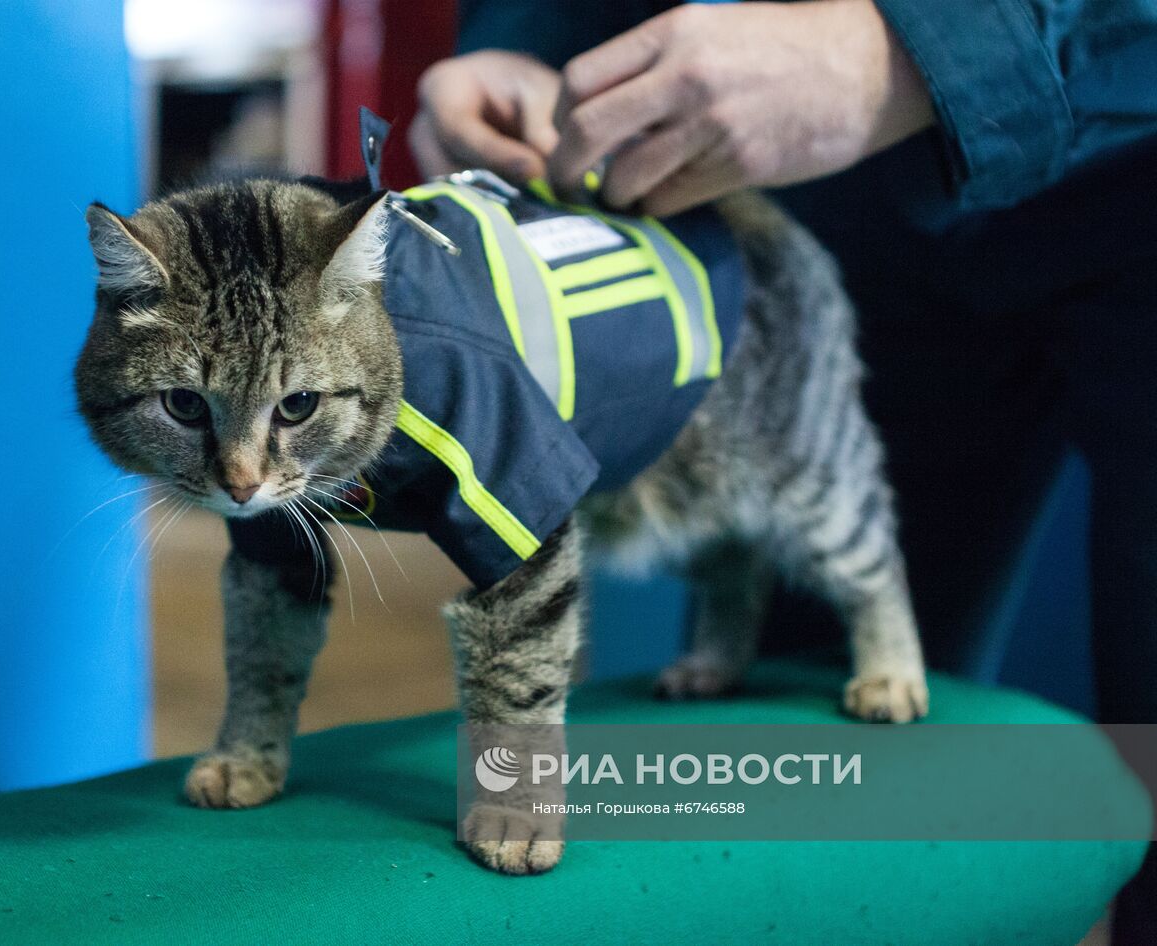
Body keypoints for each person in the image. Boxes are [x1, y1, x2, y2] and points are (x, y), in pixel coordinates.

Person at [409, 1, 1157, 940]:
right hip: (827, 188)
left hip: (1119, 130)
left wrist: (910, 52)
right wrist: (532, 42)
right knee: (815, 795)